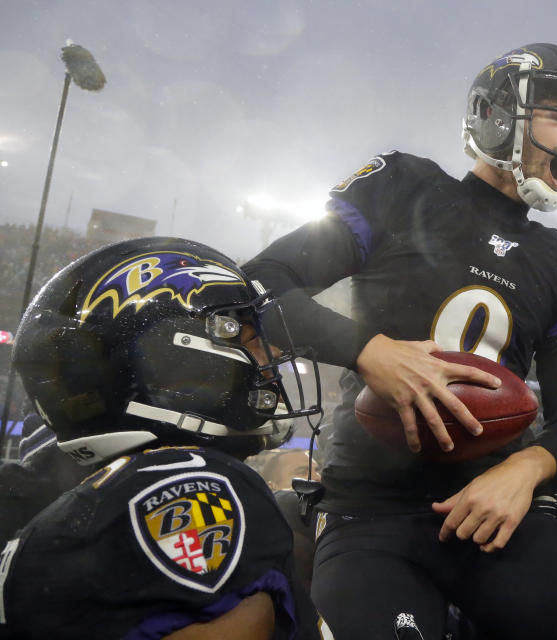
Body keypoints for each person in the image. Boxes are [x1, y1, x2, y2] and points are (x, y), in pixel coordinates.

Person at [244, 43, 557, 639]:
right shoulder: (404, 186)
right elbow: (262, 285)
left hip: (496, 510)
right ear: (498, 113)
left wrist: (523, 469)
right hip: (371, 509)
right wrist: (373, 352)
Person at [0, 237, 324, 639]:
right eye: (246, 341)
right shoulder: (198, 485)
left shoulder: (35, 491)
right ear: (174, 361)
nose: (271, 362)